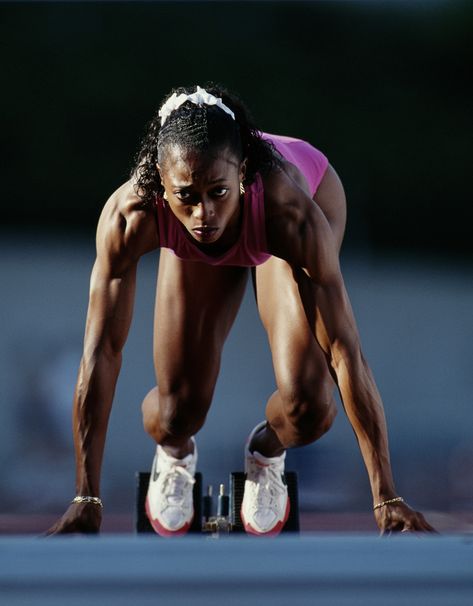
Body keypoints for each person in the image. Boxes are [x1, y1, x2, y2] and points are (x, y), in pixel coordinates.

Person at [46, 84, 434, 536]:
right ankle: (174, 452)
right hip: (219, 227)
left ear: (244, 173)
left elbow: (345, 352)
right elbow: (101, 353)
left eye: (217, 193)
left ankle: (264, 452)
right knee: (177, 413)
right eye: (186, 197)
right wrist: (86, 495)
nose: (204, 215)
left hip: (282, 219)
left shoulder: (290, 212)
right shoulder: (130, 215)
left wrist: (386, 496)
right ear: (160, 181)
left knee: (311, 409)